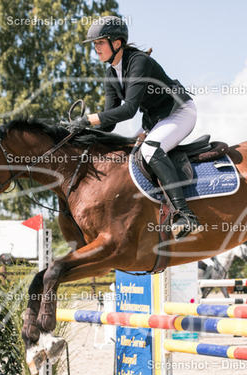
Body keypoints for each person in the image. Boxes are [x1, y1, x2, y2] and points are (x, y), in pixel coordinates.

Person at [69, 15, 201, 239]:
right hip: (157, 119)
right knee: (127, 154)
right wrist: (82, 131)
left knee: (150, 149)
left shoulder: (139, 62)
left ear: (116, 43)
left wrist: (88, 119)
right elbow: (109, 124)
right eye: (94, 44)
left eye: (100, 42)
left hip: (180, 112)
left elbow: (129, 109)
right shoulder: (111, 74)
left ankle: (185, 214)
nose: (96, 48)